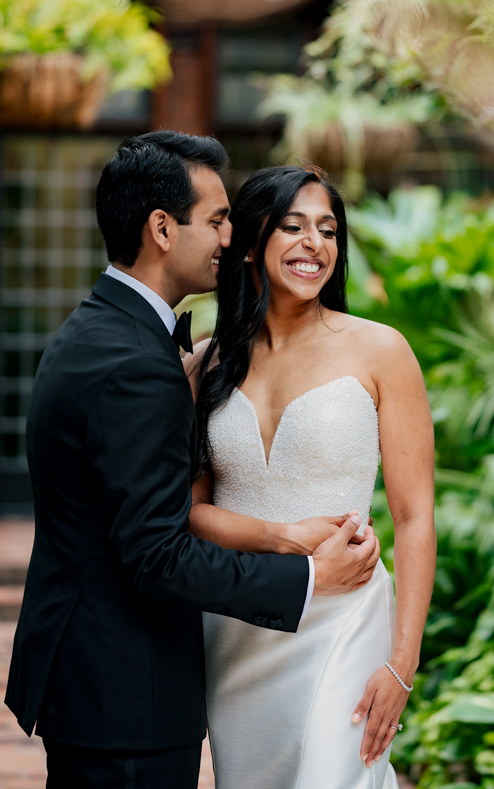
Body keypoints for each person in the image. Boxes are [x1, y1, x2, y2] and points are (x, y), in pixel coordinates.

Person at [5, 132, 380, 789]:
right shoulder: (135, 366)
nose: (230, 238)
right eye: (215, 220)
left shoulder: (97, 332)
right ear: (161, 229)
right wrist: (306, 577)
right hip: (125, 693)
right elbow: (156, 553)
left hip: (96, 681)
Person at [186, 164, 436, 789]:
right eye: (292, 227)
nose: (314, 244)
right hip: (239, 623)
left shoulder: (381, 350)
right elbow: (186, 512)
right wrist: (287, 536)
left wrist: (401, 666)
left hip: (346, 619)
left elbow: (414, 517)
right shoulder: (205, 363)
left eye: (327, 230)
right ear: (250, 244)